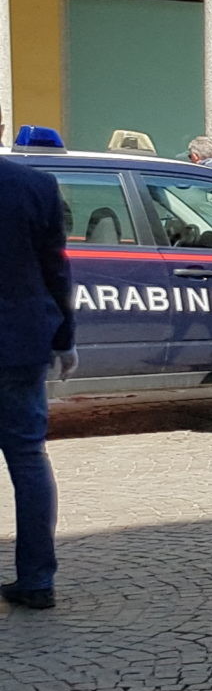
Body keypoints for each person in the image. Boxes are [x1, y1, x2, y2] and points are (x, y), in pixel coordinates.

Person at [0, 141, 72, 610]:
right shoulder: (36, 185)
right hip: (20, 341)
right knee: (28, 459)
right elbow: (55, 269)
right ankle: (37, 579)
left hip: (20, 342)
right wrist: (65, 337)